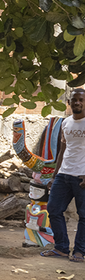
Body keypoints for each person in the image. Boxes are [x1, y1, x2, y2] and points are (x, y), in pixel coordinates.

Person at [40, 88, 85, 262]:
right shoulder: (65, 123)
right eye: (74, 100)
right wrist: (54, 175)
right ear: (69, 103)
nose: (77, 103)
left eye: (81, 100)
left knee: (84, 215)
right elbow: (62, 150)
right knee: (53, 209)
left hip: (82, 176)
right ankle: (61, 248)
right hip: (64, 174)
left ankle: (80, 251)